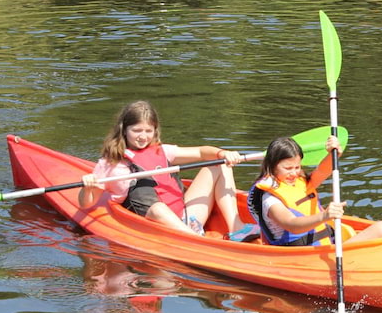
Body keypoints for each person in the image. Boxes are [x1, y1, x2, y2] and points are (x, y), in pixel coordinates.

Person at [79, 100, 258, 241]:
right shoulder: (111, 164)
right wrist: (87, 187)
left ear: (155, 130)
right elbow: (86, 204)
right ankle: (195, 240)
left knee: (219, 163)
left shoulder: (163, 151)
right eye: (136, 130)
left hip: (187, 217)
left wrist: (222, 153)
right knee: (150, 199)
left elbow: (201, 152)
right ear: (124, 130)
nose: (143, 136)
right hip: (157, 225)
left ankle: (236, 228)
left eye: (148, 131)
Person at [248, 134, 382, 246]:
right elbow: (292, 224)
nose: (294, 173)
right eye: (288, 168)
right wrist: (324, 216)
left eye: (297, 167)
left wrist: (334, 154)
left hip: (324, 245)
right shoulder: (270, 198)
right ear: (272, 166)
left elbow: (323, 172)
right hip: (299, 255)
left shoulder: (299, 182)